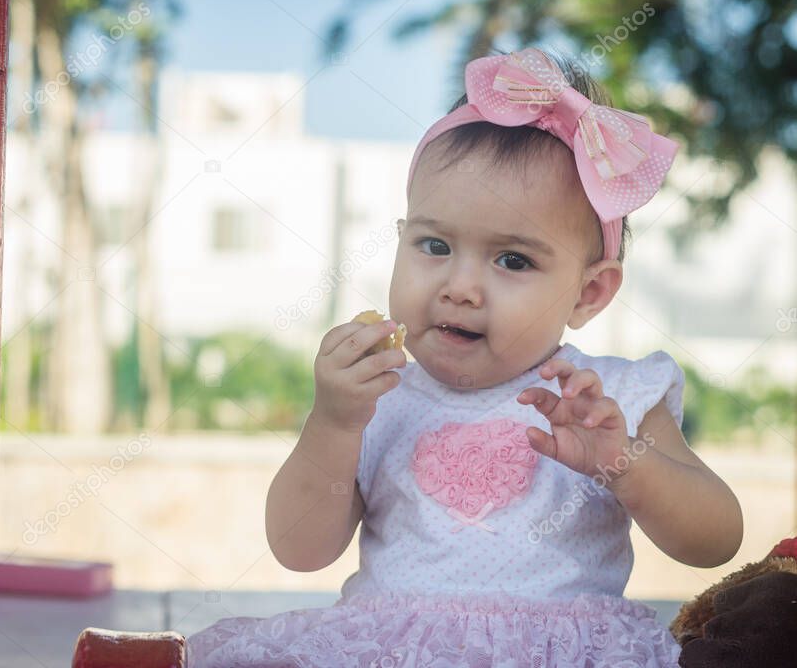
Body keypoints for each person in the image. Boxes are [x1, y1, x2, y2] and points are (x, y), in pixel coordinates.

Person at [185, 47, 743, 667]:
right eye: (434, 244)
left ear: (589, 293)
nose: (460, 286)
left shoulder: (609, 398)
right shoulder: (378, 397)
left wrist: (625, 461)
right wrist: (332, 424)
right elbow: (299, 549)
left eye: (513, 260)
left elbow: (716, 540)